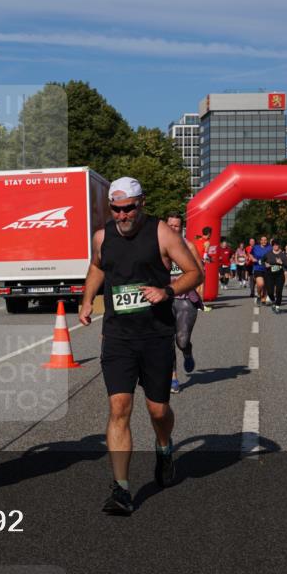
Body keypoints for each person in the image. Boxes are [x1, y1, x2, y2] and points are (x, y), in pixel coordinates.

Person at [79, 178, 202, 516]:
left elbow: (196, 272)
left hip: (155, 335)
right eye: (116, 209)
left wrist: (169, 291)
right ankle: (121, 489)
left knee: (158, 411)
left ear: (141, 203)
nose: (122, 215)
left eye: (128, 208)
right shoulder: (102, 237)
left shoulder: (162, 233)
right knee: (119, 409)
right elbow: (96, 266)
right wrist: (87, 299)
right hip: (118, 336)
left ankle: (164, 447)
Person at [165, 211, 203, 395]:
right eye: (170, 225)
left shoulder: (189, 247)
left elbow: (200, 273)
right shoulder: (158, 246)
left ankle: (187, 351)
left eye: (176, 226)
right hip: (164, 299)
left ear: (182, 228)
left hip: (185, 298)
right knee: (167, 341)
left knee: (181, 340)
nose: (173, 228)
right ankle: (173, 377)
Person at [262, 240, 287, 314]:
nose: (275, 246)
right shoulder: (268, 254)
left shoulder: (282, 255)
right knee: (270, 292)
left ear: (279, 246)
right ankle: (273, 301)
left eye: (277, 245)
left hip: (279, 275)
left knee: (279, 292)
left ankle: (277, 306)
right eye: (274, 245)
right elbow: (261, 261)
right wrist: (265, 264)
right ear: (272, 246)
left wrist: (282, 263)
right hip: (269, 275)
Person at [251, 235, 271, 306]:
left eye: (265, 240)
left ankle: (263, 298)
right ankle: (259, 295)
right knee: (260, 284)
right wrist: (252, 258)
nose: (264, 241)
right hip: (257, 268)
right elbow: (250, 254)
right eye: (262, 240)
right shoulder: (255, 247)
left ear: (267, 241)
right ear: (260, 241)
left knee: (265, 285)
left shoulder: (270, 248)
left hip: (267, 269)